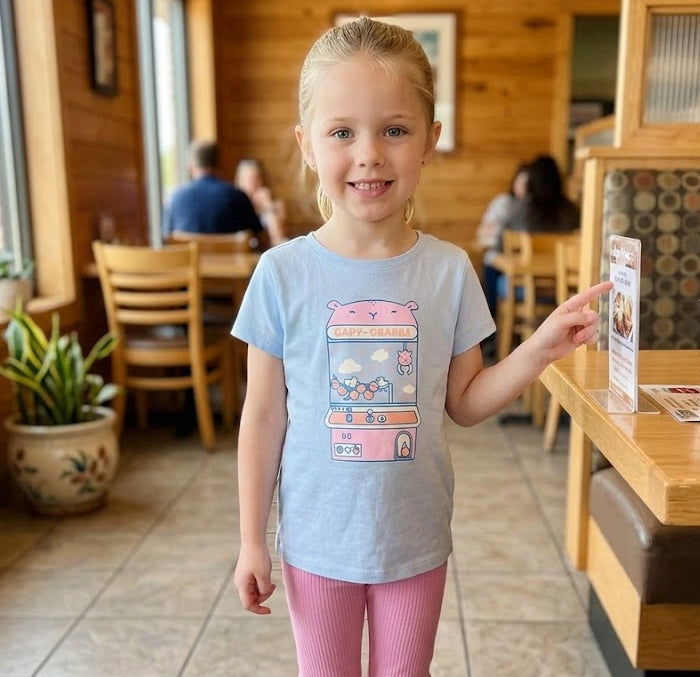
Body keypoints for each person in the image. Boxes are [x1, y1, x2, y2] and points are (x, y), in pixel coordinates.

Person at [232, 17, 611, 677]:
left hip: (416, 540)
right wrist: (250, 539)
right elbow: (263, 417)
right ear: (307, 144)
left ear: (430, 140)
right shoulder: (281, 274)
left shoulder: (449, 271)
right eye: (342, 132)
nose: (369, 154)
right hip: (316, 544)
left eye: (395, 130)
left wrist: (540, 349)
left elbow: (464, 401)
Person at [162, 140, 265, 242]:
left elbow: (167, 239)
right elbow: (262, 240)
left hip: (188, 254)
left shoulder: (175, 198)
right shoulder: (237, 196)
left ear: (190, 168)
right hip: (227, 253)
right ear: (219, 165)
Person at [478, 162, 529, 317]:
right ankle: (490, 317)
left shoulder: (532, 207)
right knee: (492, 262)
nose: (525, 187)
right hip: (502, 260)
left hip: (524, 265)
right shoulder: (504, 203)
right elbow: (484, 236)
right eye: (522, 182)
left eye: (529, 184)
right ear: (515, 182)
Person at [234, 157, 289, 245]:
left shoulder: (277, 205)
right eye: (249, 179)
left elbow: (278, 239)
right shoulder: (235, 205)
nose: (254, 183)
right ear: (240, 182)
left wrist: (268, 206)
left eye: (257, 178)